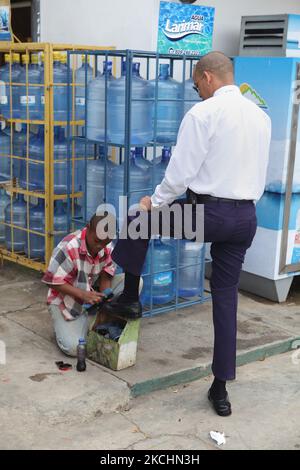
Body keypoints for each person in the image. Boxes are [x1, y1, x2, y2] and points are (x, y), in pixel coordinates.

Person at [106, 51, 272, 417]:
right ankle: (221, 388)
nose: (196, 89)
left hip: (206, 215)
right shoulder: (260, 117)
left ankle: (130, 298)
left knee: (137, 220)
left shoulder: (203, 113)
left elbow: (180, 172)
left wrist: (156, 202)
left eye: (197, 82)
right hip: (245, 218)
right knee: (226, 300)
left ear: (208, 77)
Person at [42, 213, 141, 357]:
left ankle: (98, 317)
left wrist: (105, 295)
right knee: (75, 348)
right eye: (97, 241)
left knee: (134, 284)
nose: (99, 246)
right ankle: (68, 327)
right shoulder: (69, 247)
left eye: (105, 243)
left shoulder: (107, 246)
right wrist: (83, 294)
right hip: (65, 302)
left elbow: (106, 275)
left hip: (90, 294)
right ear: (88, 228)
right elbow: (52, 281)